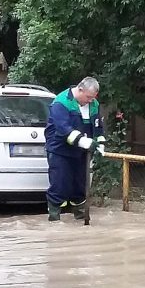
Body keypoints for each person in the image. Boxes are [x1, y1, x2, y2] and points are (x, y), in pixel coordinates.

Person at [44, 77, 105, 222]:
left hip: (81, 152)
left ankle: (80, 214)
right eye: (88, 97)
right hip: (60, 150)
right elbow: (64, 130)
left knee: (80, 184)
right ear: (80, 89)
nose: (90, 101)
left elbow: (97, 127)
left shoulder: (93, 104)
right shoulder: (61, 103)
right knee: (60, 183)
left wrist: (100, 144)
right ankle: (54, 217)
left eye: (93, 98)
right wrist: (83, 141)